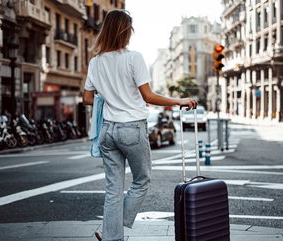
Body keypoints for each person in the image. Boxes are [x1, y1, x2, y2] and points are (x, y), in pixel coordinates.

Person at [82, 10, 197, 241]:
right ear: (126, 31)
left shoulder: (96, 62)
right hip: (131, 129)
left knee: (113, 188)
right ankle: (109, 230)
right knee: (141, 180)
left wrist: (110, 94)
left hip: (107, 131)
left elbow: (87, 98)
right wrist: (179, 100)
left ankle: (110, 234)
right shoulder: (133, 58)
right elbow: (148, 96)